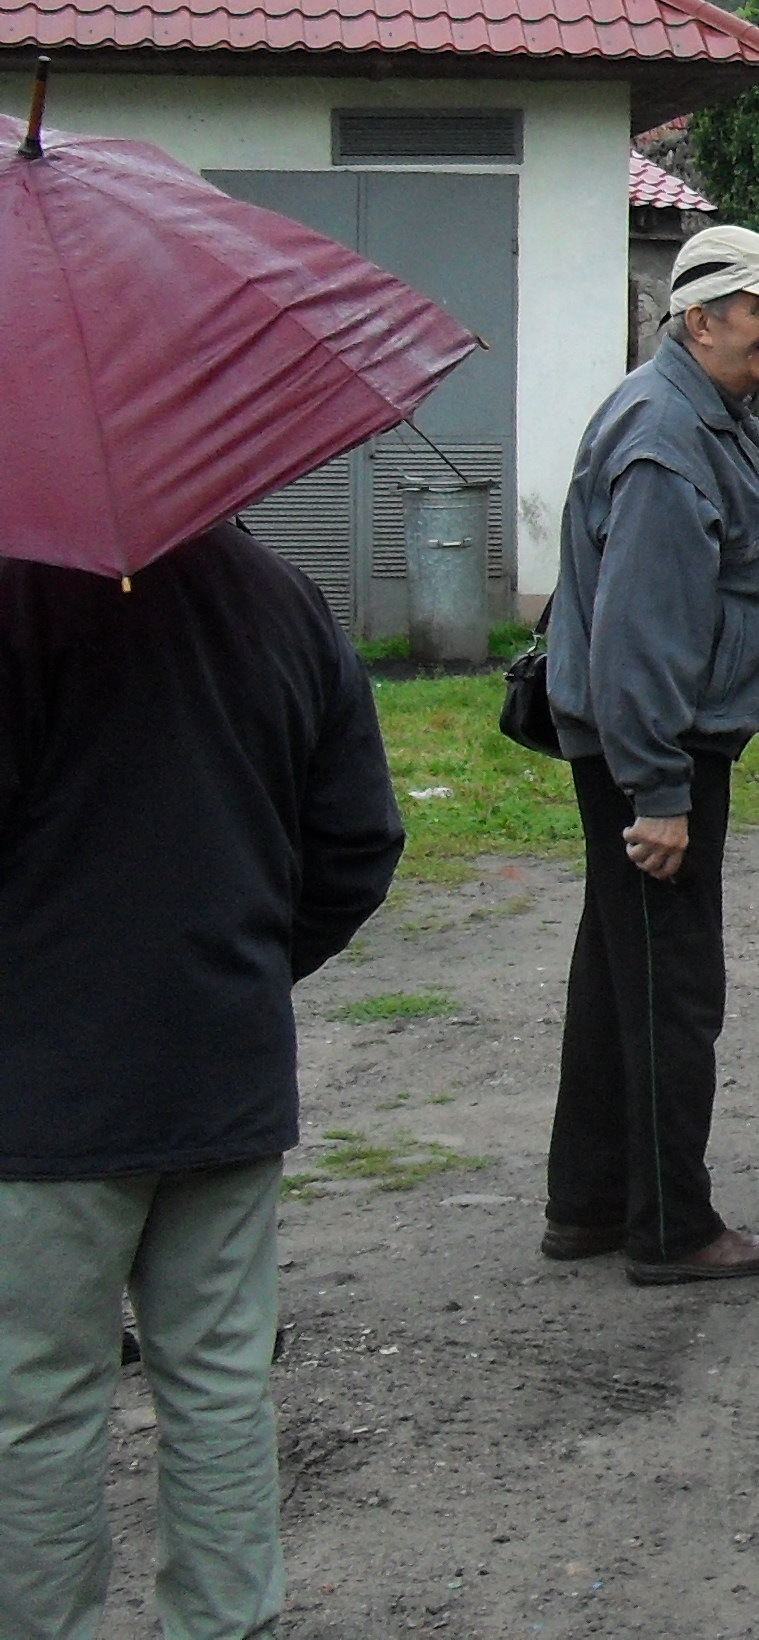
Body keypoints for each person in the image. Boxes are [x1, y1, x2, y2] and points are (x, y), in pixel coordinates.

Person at [0, 529, 400, 1640]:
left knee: (39, 1402)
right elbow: (358, 840)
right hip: (224, 1067)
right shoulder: (281, 597)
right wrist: (246, 966)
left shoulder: (20, 593)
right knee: (221, 1381)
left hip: (44, 1086)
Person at [541, 222, 759, 1284]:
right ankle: (669, 1226)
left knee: (621, 972)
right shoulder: (667, 436)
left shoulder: (701, 409)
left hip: (650, 745)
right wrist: (658, 791)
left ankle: (589, 1204)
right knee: (671, 984)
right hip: (657, 750)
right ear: (700, 320)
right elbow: (640, 637)